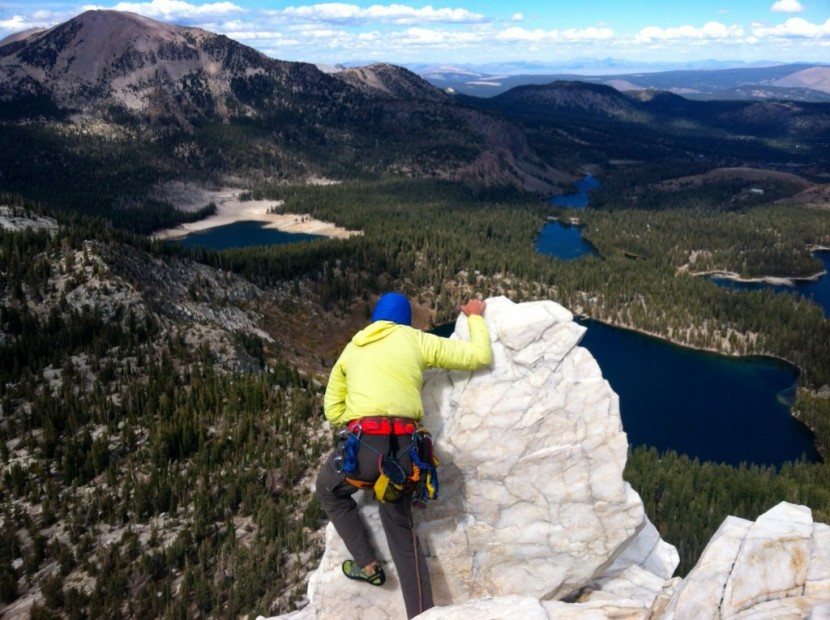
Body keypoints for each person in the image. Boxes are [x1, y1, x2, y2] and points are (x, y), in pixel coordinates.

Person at [315, 292, 492, 618]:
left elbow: (332, 410)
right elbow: (478, 356)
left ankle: (367, 564)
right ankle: (421, 613)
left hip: (365, 448)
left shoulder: (353, 348)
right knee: (399, 528)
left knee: (329, 490)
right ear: (405, 319)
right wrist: (476, 317)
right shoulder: (416, 340)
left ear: (375, 320)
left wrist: (356, 415)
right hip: (408, 454)